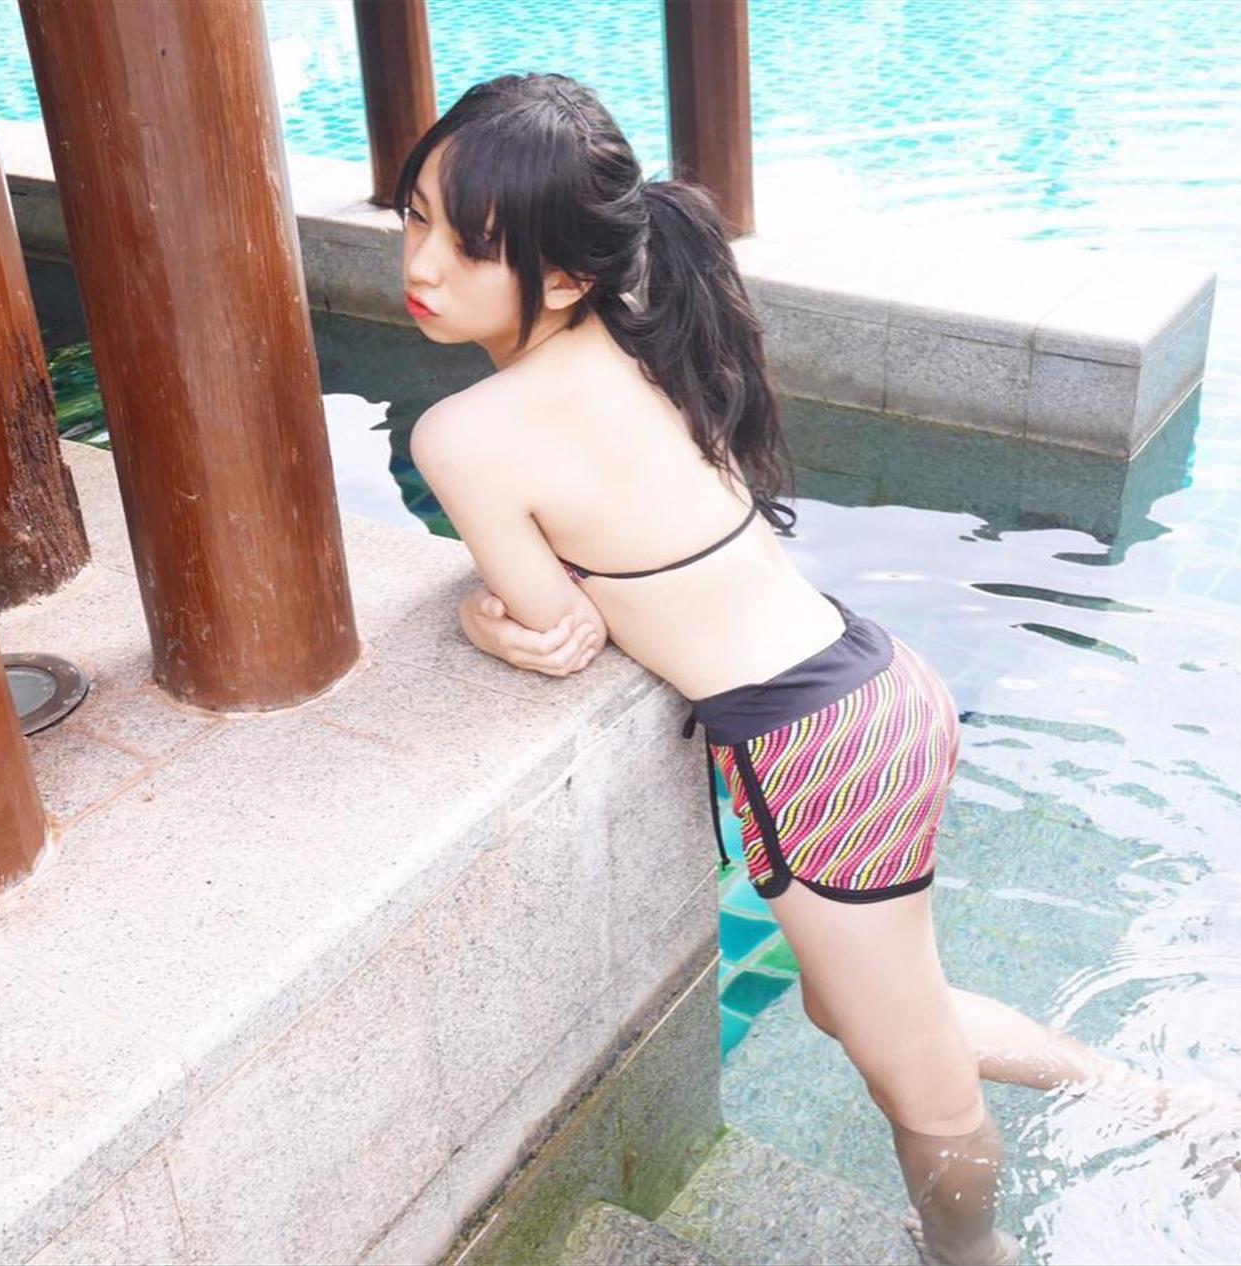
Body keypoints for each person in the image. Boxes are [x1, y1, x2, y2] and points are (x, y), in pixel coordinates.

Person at [393, 71, 1197, 1266]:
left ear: (561, 277)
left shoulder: (464, 433)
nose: (419, 265)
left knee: (920, 1087)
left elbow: (555, 635)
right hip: (874, 684)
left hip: (813, 750)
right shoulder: (646, 338)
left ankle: (974, 1256)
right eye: (412, 217)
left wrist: (475, 622)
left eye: (465, 244)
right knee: (857, 1007)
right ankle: (1157, 1102)